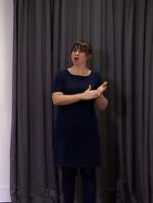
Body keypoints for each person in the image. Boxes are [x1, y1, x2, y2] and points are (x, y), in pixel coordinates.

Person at [52, 41, 108, 203]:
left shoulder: (95, 77)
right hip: (66, 133)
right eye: (74, 50)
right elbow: (56, 99)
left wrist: (99, 94)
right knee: (67, 175)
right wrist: (82, 96)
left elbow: (103, 106)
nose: (76, 53)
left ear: (88, 56)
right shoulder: (62, 75)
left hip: (88, 133)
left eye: (81, 51)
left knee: (89, 174)